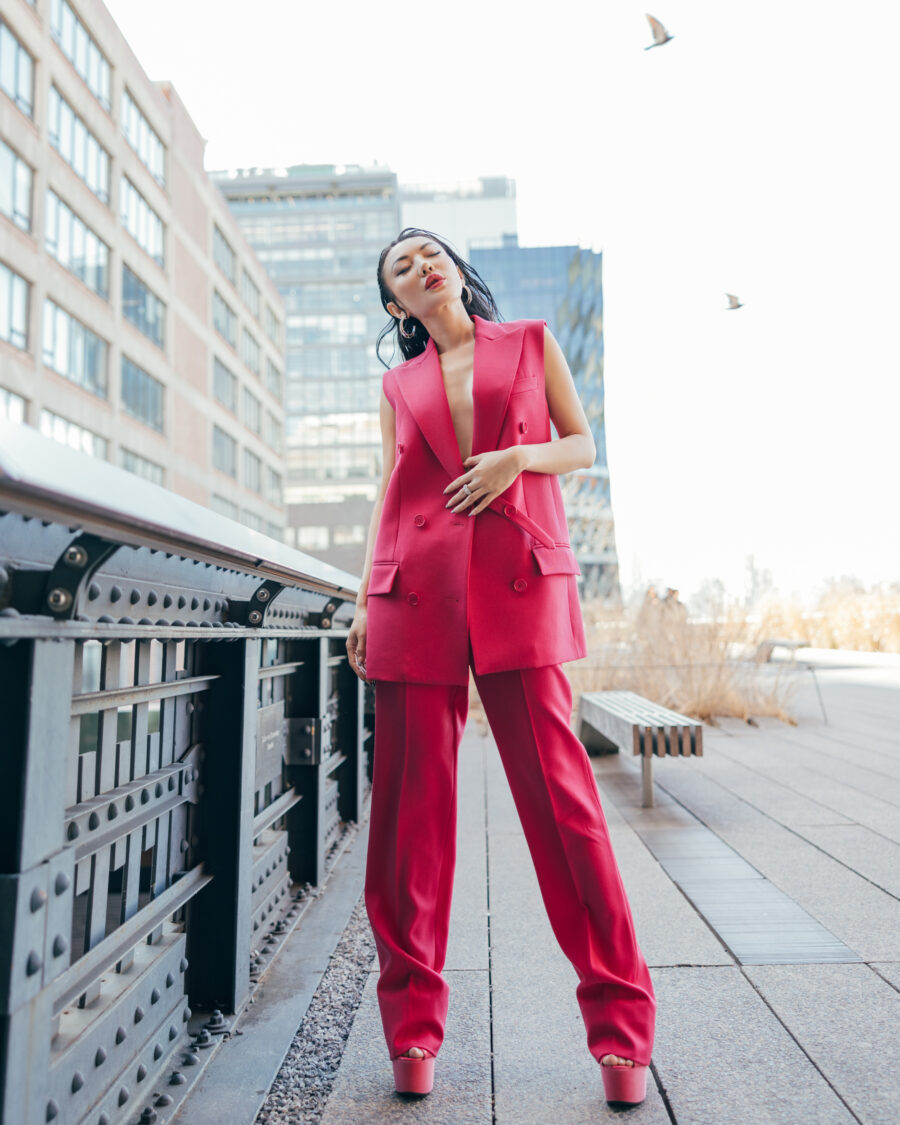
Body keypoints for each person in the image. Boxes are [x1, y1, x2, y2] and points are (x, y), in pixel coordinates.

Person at [346, 228, 655, 1107]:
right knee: (407, 824)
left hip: (519, 581)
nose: (420, 266)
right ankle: (411, 1032)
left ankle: (622, 1031)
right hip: (412, 596)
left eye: (428, 253)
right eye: (400, 268)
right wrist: (364, 599)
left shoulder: (528, 342)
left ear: (455, 269)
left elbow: (582, 444)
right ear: (395, 304)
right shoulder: (396, 385)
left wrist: (519, 458)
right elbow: (388, 489)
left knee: (566, 811)